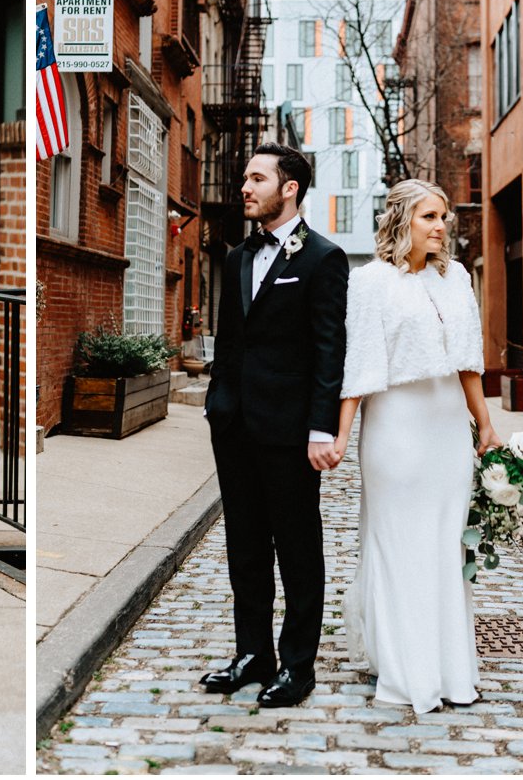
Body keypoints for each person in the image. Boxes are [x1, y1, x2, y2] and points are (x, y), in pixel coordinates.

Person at [333, 179, 492, 714]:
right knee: (401, 545)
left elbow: (469, 360)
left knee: (444, 548)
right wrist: (340, 433)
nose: (441, 226)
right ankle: (406, 673)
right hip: (395, 429)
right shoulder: (371, 282)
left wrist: (485, 426)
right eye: (429, 216)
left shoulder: (458, 280)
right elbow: (361, 363)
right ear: (401, 220)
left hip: (447, 429)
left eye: (443, 216)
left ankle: (451, 671)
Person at [200, 143, 349, 708]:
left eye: (257, 178)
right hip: (234, 425)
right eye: (244, 178)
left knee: (297, 547)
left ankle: (297, 666)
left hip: (289, 432)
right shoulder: (238, 256)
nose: (245, 187)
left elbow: (329, 350)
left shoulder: (323, 258)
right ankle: (252, 654)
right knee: (244, 546)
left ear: (289, 188)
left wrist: (321, 428)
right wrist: (218, 403)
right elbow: (233, 341)